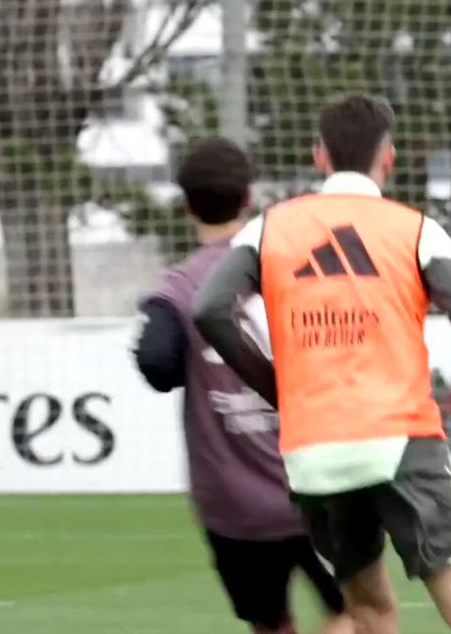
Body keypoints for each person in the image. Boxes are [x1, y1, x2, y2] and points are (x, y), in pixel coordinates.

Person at [192, 93, 451, 634]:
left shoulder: (269, 228)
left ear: (320, 156)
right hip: (401, 440)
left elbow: (209, 310)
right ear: (387, 157)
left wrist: (280, 389)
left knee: (367, 610)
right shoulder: (412, 228)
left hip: (315, 452)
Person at [131, 137, 356, 634]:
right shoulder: (302, 270)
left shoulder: (180, 286)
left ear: (188, 205)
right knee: (356, 614)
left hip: (233, 506)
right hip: (317, 484)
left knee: (270, 622)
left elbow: (155, 363)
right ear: (250, 198)